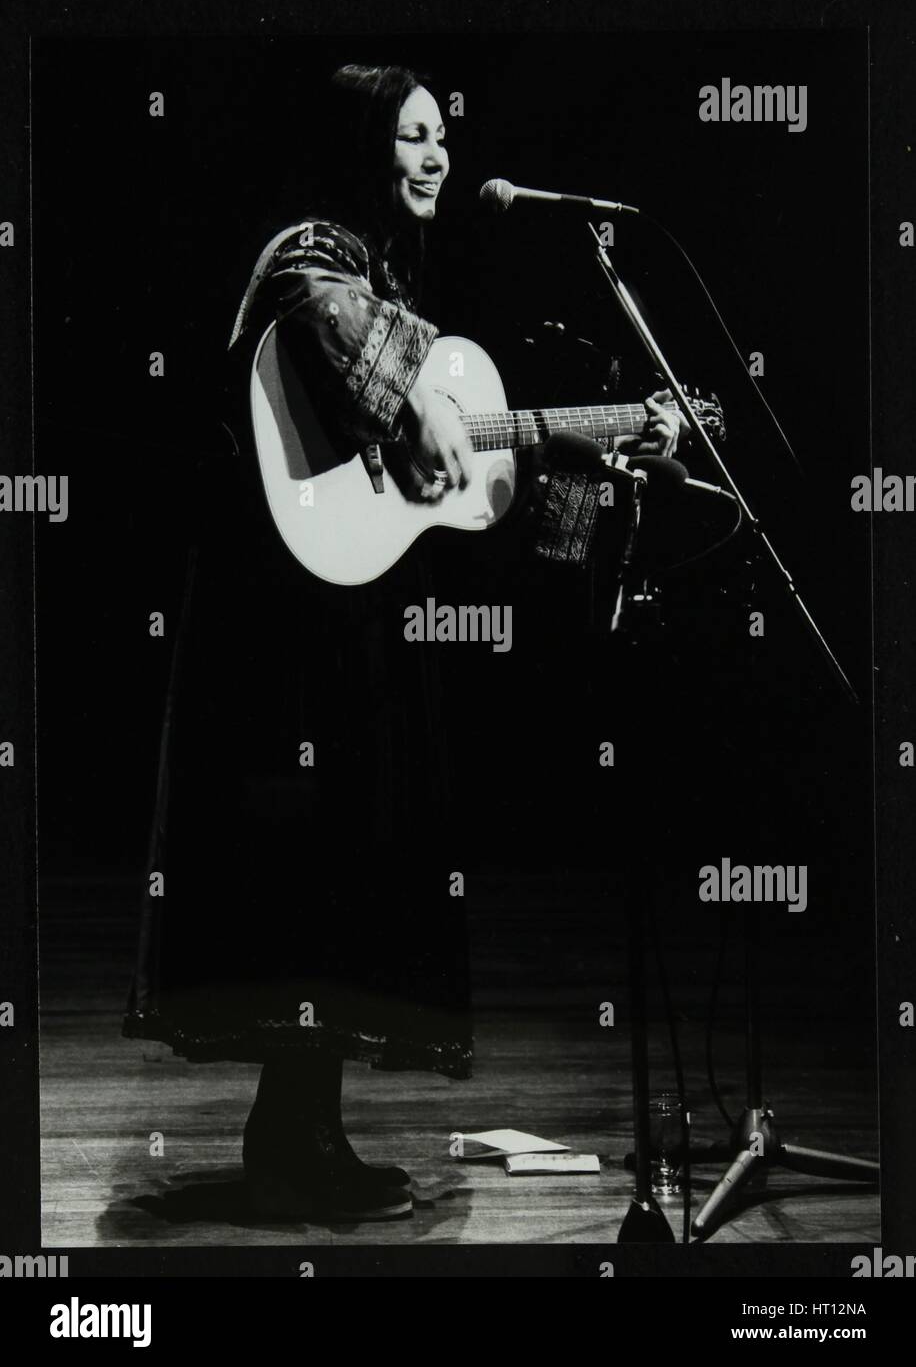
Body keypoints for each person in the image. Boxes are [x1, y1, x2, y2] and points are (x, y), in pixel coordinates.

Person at [123, 62, 683, 1224]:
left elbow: (473, 469)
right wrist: (420, 410)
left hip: (351, 625)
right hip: (287, 641)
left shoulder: (384, 279)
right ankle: (293, 1142)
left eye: (442, 139)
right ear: (362, 143)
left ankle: (308, 1131)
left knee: (353, 871)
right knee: (308, 869)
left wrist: (613, 440)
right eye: (411, 137)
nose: (435, 158)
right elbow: (360, 357)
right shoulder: (309, 254)